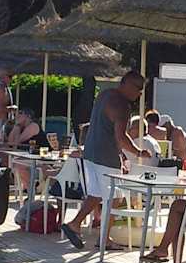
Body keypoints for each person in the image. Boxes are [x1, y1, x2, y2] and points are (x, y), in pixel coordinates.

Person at [61, 69, 145, 248]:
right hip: (106, 157)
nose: (139, 93)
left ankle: (75, 224)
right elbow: (120, 137)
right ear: (126, 84)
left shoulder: (104, 94)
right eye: (138, 88)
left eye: (141, 89)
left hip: (90, 152)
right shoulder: (122, 105)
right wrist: (138, 152)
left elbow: (105, 127)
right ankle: (103, 239)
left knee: (96, 194)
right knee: (114, 199)